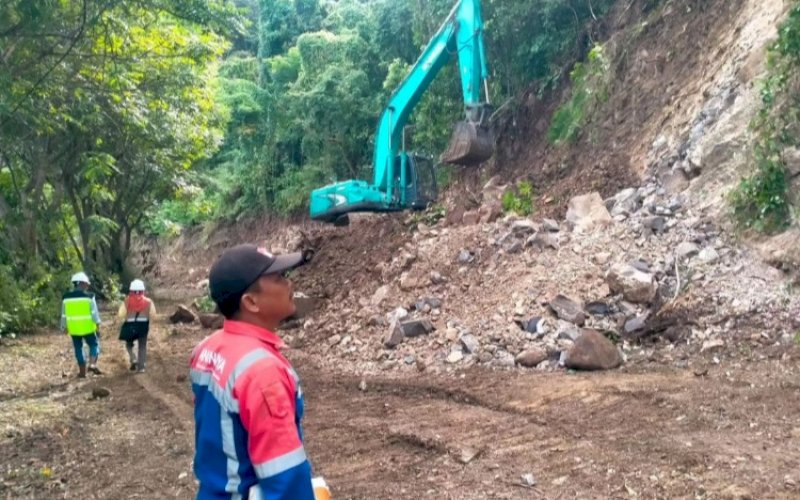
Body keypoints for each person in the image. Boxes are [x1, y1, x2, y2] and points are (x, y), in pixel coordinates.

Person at [190, 244, 321, 500]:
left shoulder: (206, 348)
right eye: (278, 278)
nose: (289, 284)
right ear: (251, 302)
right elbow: (285, 479)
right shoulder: (263, 372)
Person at [61, 272, 102, 378]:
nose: (87, 286)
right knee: (94, 345)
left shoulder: (66, 298)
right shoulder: (89, 297)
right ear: (82, 283)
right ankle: (92, 364)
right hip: (88, 328)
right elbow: (94, 313)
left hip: (74, 329)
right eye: (87, 284)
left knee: (78, 348)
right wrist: (97, 325)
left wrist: (64, 327)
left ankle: (82, 371)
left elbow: (63, 315)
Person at [118, 279, 156, 373]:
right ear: (143, 290)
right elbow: (153, 315)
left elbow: (120, 314)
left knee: (129, 344)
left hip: (130, 326)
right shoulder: (148, 301)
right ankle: (141, 367)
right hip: (143, 326)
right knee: (142, 346)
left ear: (131, 291)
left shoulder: (127, 301)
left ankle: (133, 358)